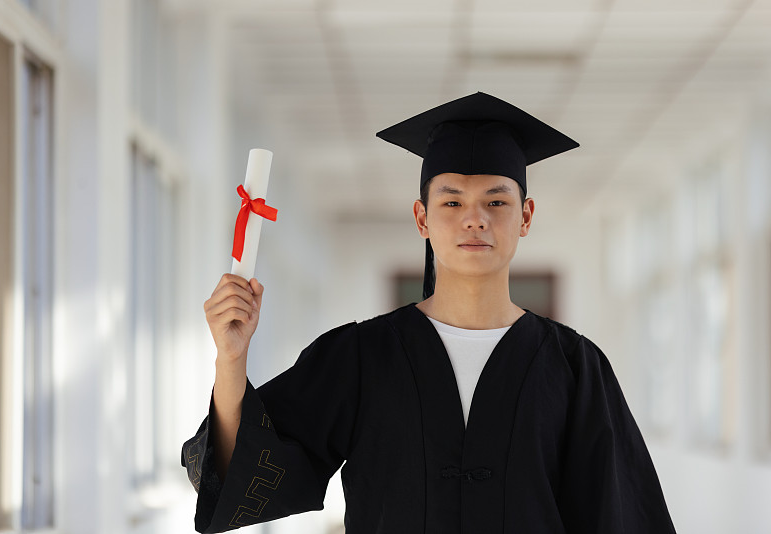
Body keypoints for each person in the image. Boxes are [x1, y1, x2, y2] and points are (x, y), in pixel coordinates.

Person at [182, 92, 676, 534]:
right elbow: (247, 471)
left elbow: (620, 514)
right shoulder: (361, 357)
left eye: (496, 201)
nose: (474, 217)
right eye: (452, 200)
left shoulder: (575, 368)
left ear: (525, 217)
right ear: (422, 217)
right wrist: (231, 360)